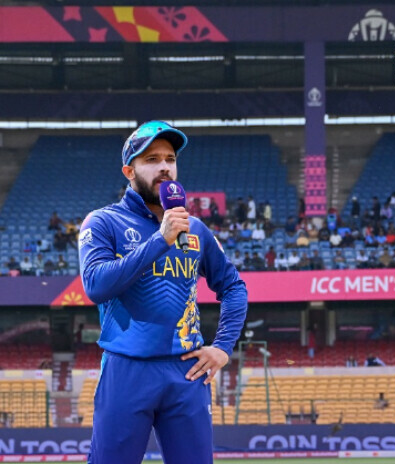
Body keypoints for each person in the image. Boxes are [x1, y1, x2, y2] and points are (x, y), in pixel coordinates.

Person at [79, 120, 248, 464]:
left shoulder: (194, 228)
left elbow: (233, 287)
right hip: (127, 369)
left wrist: (222, 347)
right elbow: (95, 285)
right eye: (152, 159)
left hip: (186, 372)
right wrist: (160, 240)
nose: (164, 167)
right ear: (129, 171)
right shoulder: (103, 222)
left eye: (170, 159)